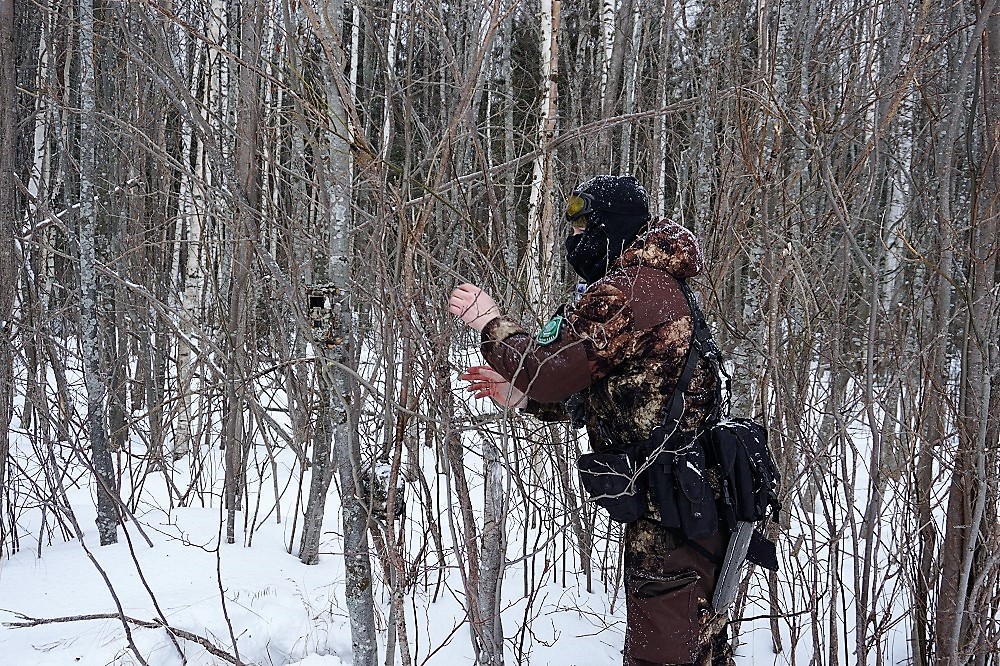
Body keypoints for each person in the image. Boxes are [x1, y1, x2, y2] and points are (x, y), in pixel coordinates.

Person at [448, 175, 732, 666]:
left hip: (675, 513)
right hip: (678, 502)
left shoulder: (631, 291)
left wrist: (491, 322)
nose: (573, 239)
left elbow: (550, 369)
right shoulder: (648, 284)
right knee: (690, 644)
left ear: (611, 228)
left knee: (664, 655)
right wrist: (520, 396)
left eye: (583, 226)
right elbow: (614, 391)